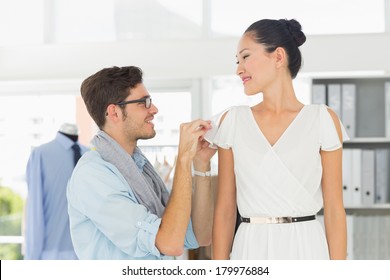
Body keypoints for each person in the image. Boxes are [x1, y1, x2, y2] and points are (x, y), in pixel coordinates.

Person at [209, 18, 348, 260]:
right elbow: (225, 210)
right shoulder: (232, 121)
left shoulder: (323, 119)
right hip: (251, 248)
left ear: (278, 57)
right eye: (237, 61)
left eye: (245, 57)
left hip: (307, 247)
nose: (238, 69)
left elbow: (335, 210)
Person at [66, 66, 216, 260]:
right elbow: (169, 243)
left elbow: (201, 235)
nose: (154, 109)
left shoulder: (140, 168)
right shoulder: (93, 175)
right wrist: (184, 158)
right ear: (114, 113)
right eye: (144, 102)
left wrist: (201, 164)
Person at [25, 123, 88, 259]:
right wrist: (32, 257)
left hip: (87, 254)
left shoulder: (90, 156)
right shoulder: (41, 154)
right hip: (52, 254)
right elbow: (35, 208)